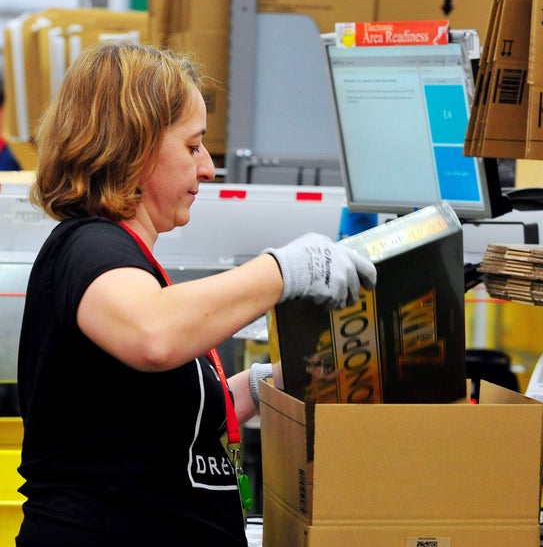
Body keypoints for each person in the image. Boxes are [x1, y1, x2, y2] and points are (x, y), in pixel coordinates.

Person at [15, 39, 376, 547]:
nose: (207, 167)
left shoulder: (129, 262)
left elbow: (145, 422)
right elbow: (154, 336)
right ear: (134, 147)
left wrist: (256, 389)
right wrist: (284, 271)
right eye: (192, 145)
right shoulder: (88, 248)